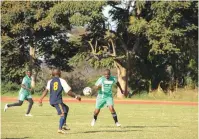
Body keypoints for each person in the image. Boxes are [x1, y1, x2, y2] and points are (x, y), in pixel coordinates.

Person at [38, 68, 81, 134]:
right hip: (57, 101)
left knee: (66, 108)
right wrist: (76, 96)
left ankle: (64, 124)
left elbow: (46, 90)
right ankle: (59, 129)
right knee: (62, 114)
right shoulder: (62, 81)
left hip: (52, 100)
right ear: (59, 73)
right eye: (60, 72)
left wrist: (41, 99)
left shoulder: (50, 81)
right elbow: (68, 92)